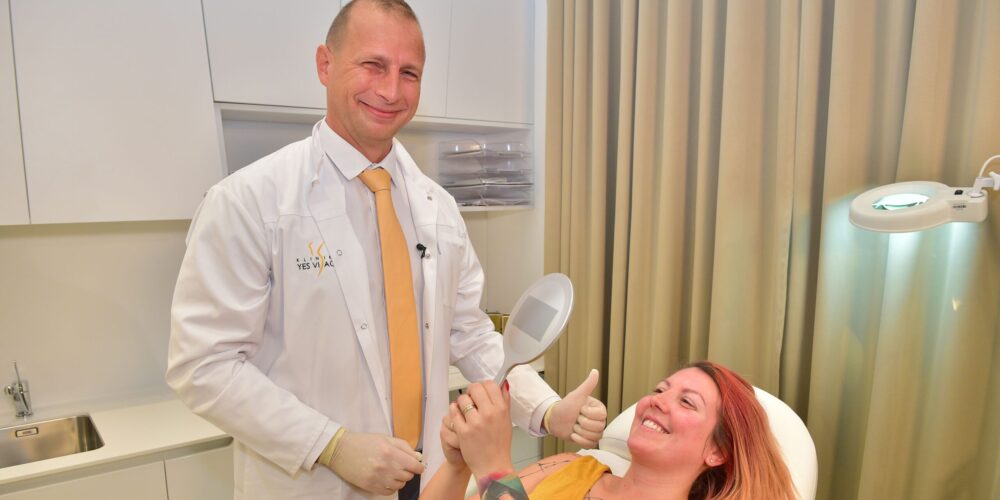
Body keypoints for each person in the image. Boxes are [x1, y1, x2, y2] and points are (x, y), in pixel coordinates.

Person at [165, 1, 607, 499]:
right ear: (325, 64)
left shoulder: (438, 209)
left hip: (428, 473)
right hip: (315, 481)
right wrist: (331, 445)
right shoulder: (249, 202)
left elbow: (469, 334)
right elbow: (204, 365)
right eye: (373, 65)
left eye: (408, 73)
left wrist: (545, 407)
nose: (391, 90)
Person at [424, 361, 797, 500]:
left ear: (717, 452)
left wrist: (493, 467)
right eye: (660, 390)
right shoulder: (571, 466)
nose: (657, 401)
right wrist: (459, 465)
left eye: (687, 402)